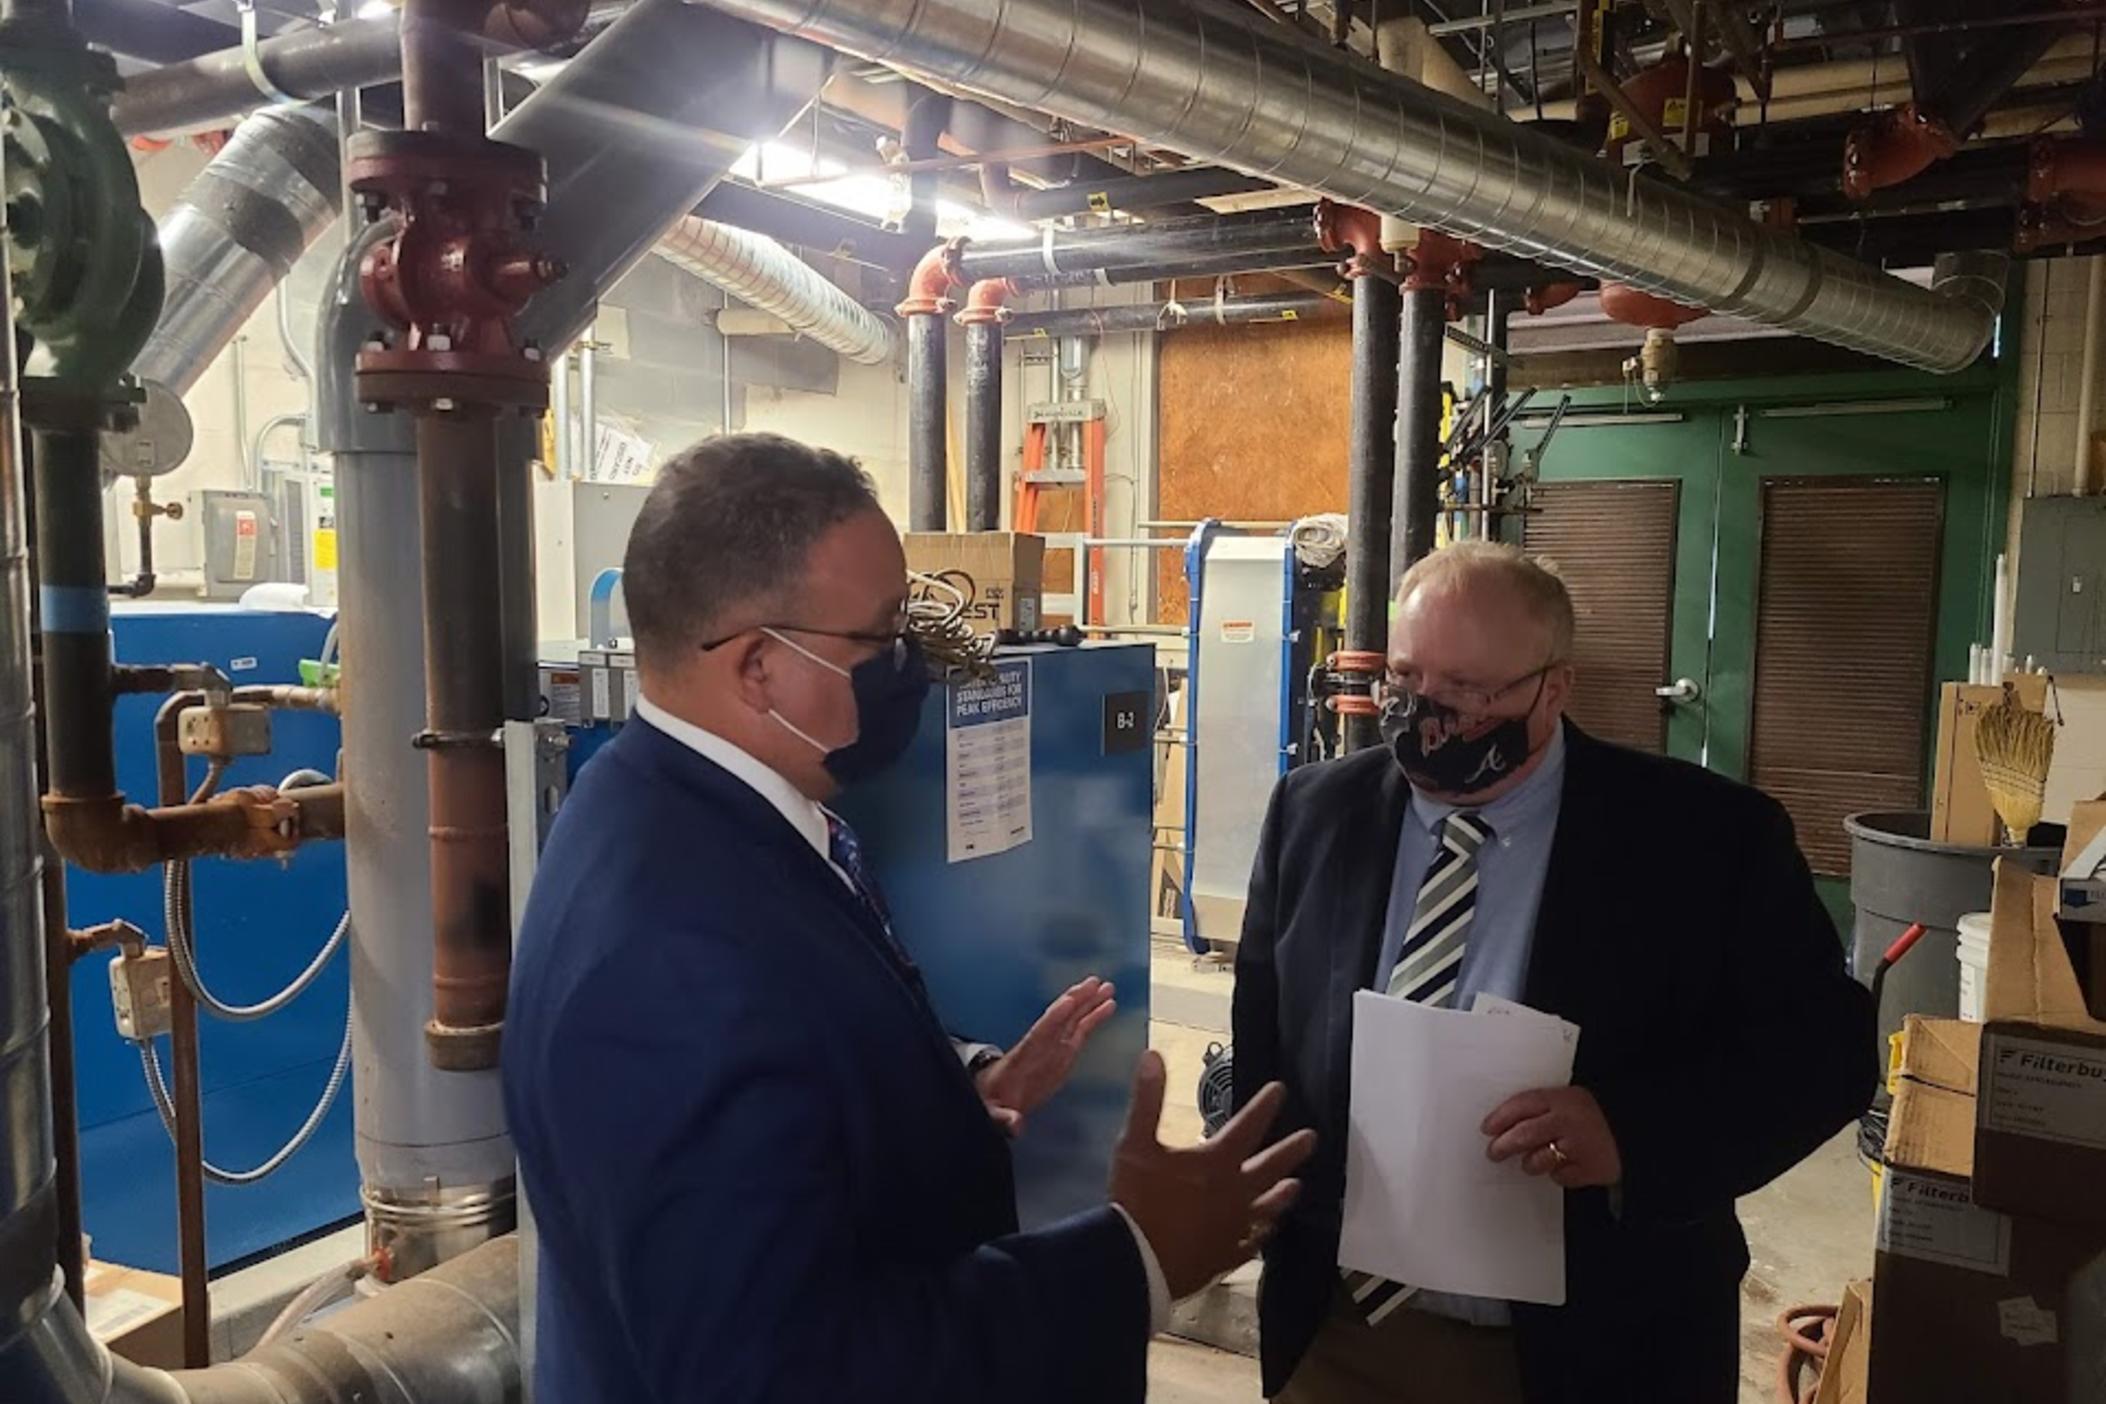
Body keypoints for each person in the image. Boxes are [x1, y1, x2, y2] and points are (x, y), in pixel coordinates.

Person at [505, 432, 1315, 1404]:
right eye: (882, 639)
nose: (913, 666)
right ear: (758, 667)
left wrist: (947, 1092)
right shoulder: (672, 962)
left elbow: (785, 1090)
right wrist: (1136, 1258)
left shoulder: (667, 805)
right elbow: (784, 1375)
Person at [1231, 541, 1875, 1403]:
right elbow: (1263, 1032)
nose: (1428, 713)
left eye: (1468, 690)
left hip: (1602, 1343)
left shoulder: (1708, 842)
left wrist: (1634, 1135)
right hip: (1343, 1332)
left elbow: (1825, 1056)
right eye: (1408, 678)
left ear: (1555, 687)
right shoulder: (1314, 814)